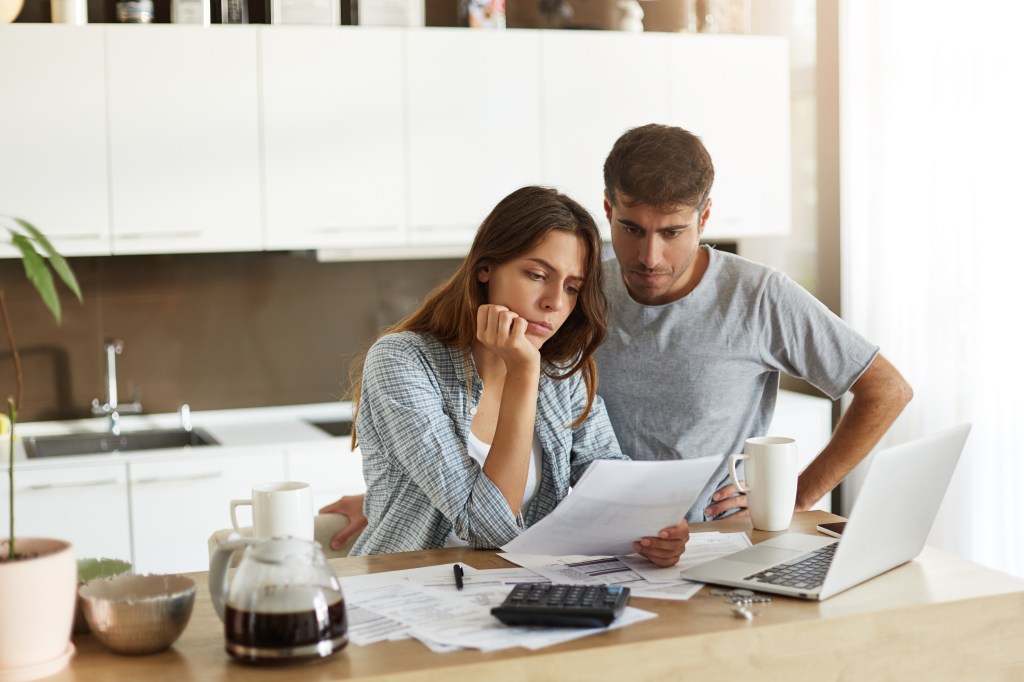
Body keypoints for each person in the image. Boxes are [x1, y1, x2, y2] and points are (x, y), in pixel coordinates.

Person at [335, 185, 689, 565]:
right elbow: (487, 527)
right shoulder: (402, 361)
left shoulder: (559, 372)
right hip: (403, 591)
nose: (554, 301)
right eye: (537, 275)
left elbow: (605, 473)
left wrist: (654, 522)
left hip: (514, 589)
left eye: (572, 288)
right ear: (485, 268)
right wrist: (523, 373)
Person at [596, 123, 913, 521]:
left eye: (672, 232)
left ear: (704, 217)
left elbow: (888, 390)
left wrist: (797, 494)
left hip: (715, 542)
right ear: (609, 210)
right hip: (601, 541)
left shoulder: (757, 295)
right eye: (632, 229)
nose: (650, 257)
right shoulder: (580, 290)